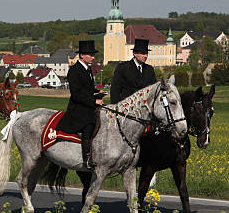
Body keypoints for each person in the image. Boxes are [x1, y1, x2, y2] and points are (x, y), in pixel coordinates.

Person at [56, 40, 103, 169]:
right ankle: (86, 159)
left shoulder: (88, 69)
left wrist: (98, 93)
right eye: (91, 55)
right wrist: (93, 101)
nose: (93, 57)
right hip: (78, 109)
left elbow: (88, 90)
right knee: (89, 124)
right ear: (82, 55)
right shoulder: (74, 71)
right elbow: (77, 94)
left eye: (93, 55)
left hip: (88, 105)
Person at [110, 38, 156, 104]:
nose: (145, 56)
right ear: (134, 53)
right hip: (127, 107)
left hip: (144, 107)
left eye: (146, 53)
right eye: (143, 53)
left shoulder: (149, 69)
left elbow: (154, 89)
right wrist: (116, 108)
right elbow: (115, 90)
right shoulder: (123, 68)